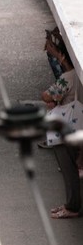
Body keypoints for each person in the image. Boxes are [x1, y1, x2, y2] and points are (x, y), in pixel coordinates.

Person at [39, 38, 83, 218]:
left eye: (55, 53)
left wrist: (51, 99)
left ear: (64, 56)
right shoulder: (78, 75)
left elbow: (47, 96)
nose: (53, 57)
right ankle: (72, 204)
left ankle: (73, 207)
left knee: (68, 168)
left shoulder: (68, 78)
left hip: (67, 128)